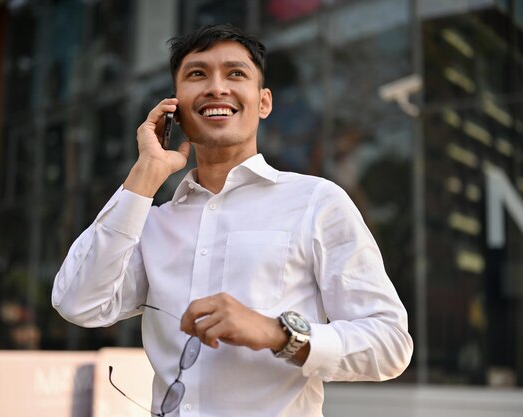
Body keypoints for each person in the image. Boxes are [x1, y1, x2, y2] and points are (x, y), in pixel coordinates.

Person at [52, 23, 413, 417]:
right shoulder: (150, 222)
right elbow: (78, 303)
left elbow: (389, 344)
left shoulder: (316, 201)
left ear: (263, 103)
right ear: (175, 107)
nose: (217, 88)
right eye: (197, 74)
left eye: (235, 73)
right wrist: (144, 176)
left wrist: (277, 333)